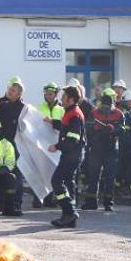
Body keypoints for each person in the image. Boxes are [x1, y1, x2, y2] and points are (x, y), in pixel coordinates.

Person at [48, 86, 86, 228]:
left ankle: (69, 212)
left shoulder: (74, 114)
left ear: (70, 99)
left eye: (63, 96)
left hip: (71, 155)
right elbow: (66, 128)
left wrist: (57, 146)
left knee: (56, 181)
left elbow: (72, 139)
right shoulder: (71, 112)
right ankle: (68, 216)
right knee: (68, 182)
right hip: (72, 154)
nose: (61, 98)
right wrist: (52, 122)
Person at [82, 88, 125, 211]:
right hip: (96, 147)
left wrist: (113, 129)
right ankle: (91, 202)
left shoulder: (118, 113)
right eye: (104, 105)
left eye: (108, 105)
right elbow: (88, 128)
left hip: (111, 148)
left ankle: (108, 202)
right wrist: (98, 129)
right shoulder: (94, 113)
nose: (106, 108)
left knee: (110, 176)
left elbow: (123, 130)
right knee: (93, 175)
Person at [0, 76, 26, 216]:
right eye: (9, 89)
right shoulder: (2, 105)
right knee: (2, 174)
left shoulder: (24, 109)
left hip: (17, 148)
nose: (9, 92)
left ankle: (16, 204)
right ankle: (1, 204)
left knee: (17, 178)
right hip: (1, 147)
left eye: (13, 90)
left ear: (19, 94)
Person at [36, 82, 65, 208]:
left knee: (54, 172)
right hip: (42, 144)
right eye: (46, 94)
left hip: (56, 145)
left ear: (56, 94)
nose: (48, 96)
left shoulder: (62, 109)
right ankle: (39, 197)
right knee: (41, 171)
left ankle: (53, 198)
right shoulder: (39, 108)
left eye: (51, 94)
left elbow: (64, 126)